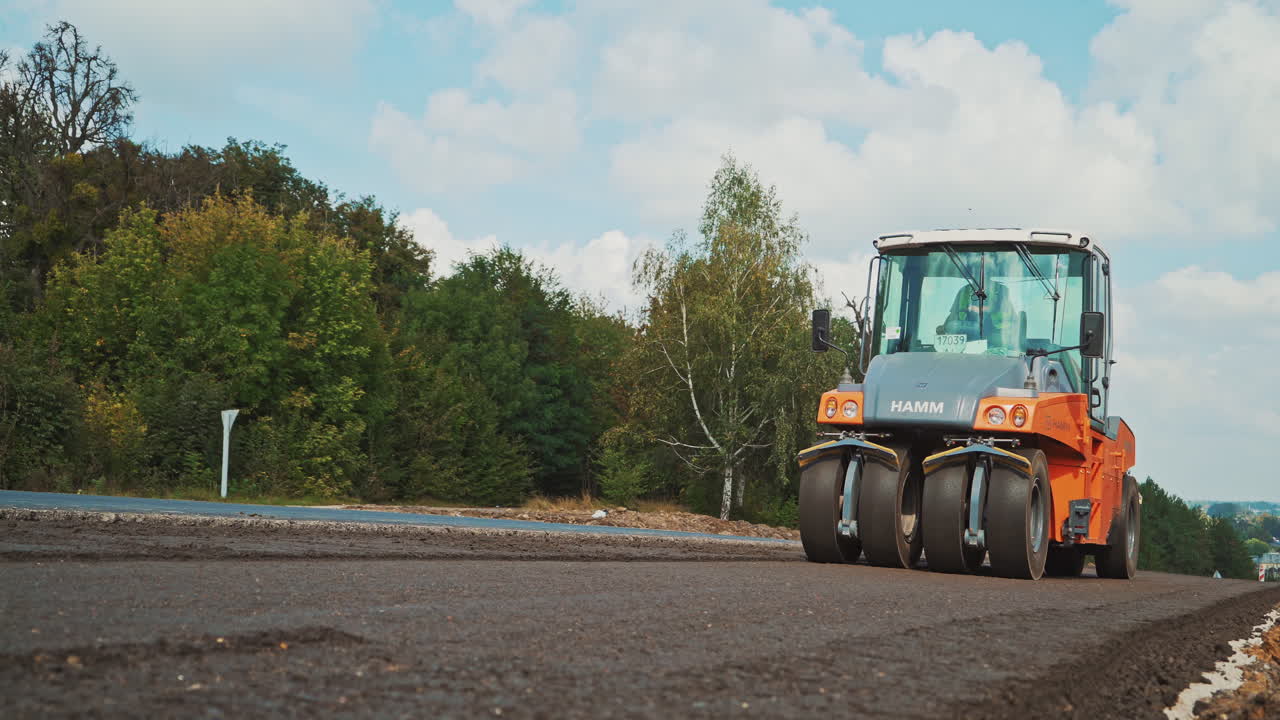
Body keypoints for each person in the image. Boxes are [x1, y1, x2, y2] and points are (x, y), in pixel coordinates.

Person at [935, 282, 1021, 351]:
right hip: (965, 350)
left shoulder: (1001, 290)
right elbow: (954, 314)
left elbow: (1013, 320)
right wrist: (944, 329)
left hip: (997, 344)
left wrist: (980, 309)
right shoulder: (964, 291)